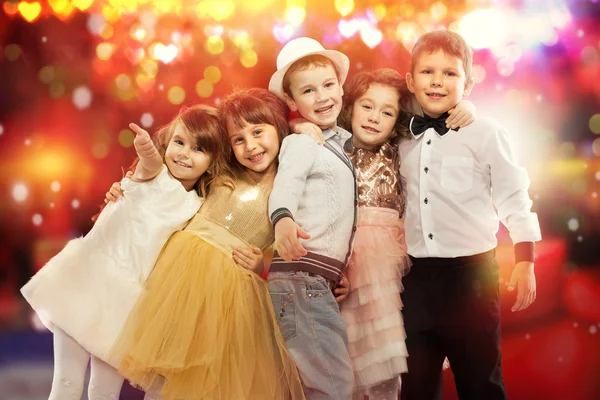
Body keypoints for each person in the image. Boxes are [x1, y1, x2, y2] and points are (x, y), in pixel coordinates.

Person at [107, 88, 306, 400]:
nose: (250, 146)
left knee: (211, 383)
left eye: (257, 132)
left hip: (231, 292)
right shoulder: (223, 169)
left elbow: (293, 249)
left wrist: (263, 264)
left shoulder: (289, 187)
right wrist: (127, 187)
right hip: (178, 278)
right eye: (238, 139)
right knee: (164, 376)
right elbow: (166, 187)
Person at [290, 67, 475, 399]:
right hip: (341, 254)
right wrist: (299, 124)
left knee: (386, 356)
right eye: (367, 106)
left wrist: (469, 109)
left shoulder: (402, 146)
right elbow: (286, 130)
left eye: (387, 111)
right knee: (341, 352)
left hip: (391, 268)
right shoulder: (331, 144)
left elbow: (440, 117)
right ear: (350, 106)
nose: (375, 117)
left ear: (398, 120)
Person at [20, 105, 226, 400]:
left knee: (103, 392)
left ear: (213, 160)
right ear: (167, 142)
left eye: (199, 149)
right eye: (179, 142)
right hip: (87, 282)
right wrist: (146, 150)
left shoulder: (196, 206)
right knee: (66, 383)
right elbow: (150, 164)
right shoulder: (152, 176)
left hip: (127, 306)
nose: (183, 153)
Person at [398, 30, 542, 400]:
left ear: (469, 83)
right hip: (413, 280)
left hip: (472, 279)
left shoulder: (487, 133)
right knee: (416, 386)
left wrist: (525, 260)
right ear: (411, 80)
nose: (437, 81)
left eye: (450, 73)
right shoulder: (399, 135)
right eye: (428, 72)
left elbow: (514, 195)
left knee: (481, 382)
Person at [267, 36, 357, 399]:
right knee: (334, 384)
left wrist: (339, 269)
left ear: (340, 86)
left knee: (320, 383)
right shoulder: (302, 141)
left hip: (315, 279)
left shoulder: (337, 143)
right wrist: (282, 218)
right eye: (308, 91)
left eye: (328, 85)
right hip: (300, 280)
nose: (322, 97)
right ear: (291, 101)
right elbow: (286, 183)